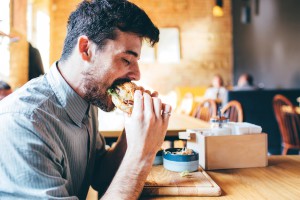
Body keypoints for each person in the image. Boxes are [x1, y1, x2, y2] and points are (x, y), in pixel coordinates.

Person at [0, 0, 172, 199]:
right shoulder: (23, 123)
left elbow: (101, 176)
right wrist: (143, 153)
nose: (137, 75)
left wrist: (134, 132)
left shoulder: (88, 98)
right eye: (126, 59)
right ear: (85, 49)